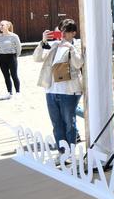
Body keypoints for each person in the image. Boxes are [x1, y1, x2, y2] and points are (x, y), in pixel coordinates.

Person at [35, 19, 84, 150]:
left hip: (69, 90)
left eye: (66, 31)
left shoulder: (77, 45)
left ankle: (71, 153)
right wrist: (43, 42)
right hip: (51, 90)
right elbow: (37, 58)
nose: (63, 34)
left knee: (69, 123)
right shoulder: (55, 45)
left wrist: (71, 48)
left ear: (73, 33)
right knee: (57, 124)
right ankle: (63, 152)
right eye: (61, 30)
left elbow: (79, 64)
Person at [0, 20, 21, 97]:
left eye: (3, 25)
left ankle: (17, 92)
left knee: (14, 75)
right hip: (2, 57)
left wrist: (15, 56)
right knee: (6, 75)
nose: (1, 27)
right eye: (0, 25)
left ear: (8, 26)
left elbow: (19, 47)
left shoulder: (14, 36)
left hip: (11, 57)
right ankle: (9, 92)